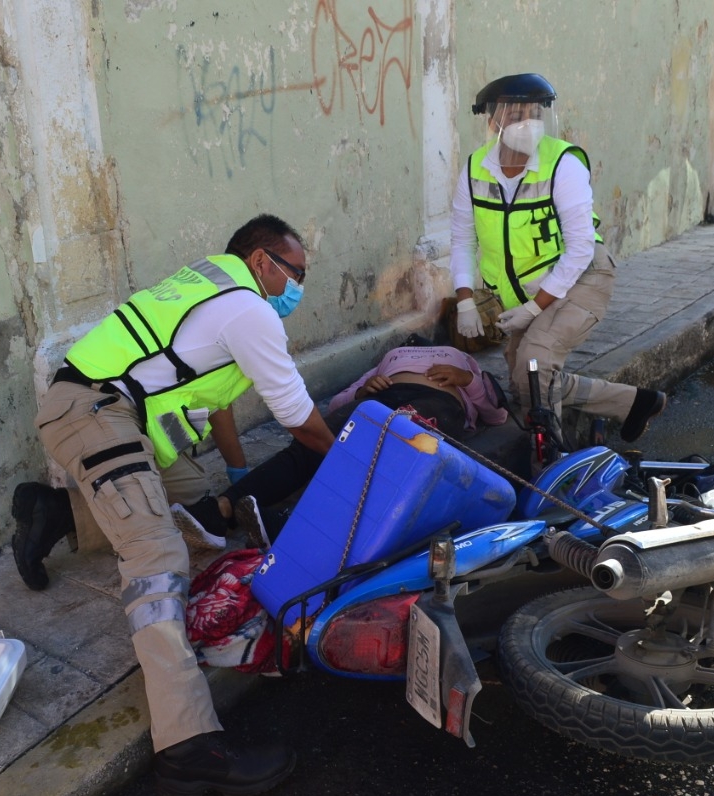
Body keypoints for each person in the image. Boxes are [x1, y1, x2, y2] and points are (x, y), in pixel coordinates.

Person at [9, 213, 335, 796]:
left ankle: (58, 515)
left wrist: (236, 476)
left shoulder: (214, 288)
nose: (300, 287)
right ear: (263, 262)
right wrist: (350, 462)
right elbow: (293, 410)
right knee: (157, 555)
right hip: (95, 412)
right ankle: (187, 746)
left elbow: (220, 400)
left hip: (113, 414)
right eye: (297, 272)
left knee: (198, 524)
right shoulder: (250, 308)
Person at [447, 73, 666, 446]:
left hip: (584, 277)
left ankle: (552, 464)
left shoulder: (563, 164)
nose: (528, 123)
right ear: (493, 121)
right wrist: (465, 299)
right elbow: (463, 239)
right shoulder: (474, 170)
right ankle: (634, 403)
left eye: (534, 113)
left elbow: (580, 246)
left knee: (534, 363)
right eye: (516, 115)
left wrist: (534, 309)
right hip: (534, 291)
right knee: (525, 382)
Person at [178, 342, 510, 549]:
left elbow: (495, 415)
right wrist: (364, 390)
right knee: (308, 447)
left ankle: (288, 522)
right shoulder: (394, 354)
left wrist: (467, 380)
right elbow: (339, 402)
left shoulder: (465, 362)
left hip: (434, 404)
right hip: (378, 400)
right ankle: (220, 509)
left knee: (379, 464)